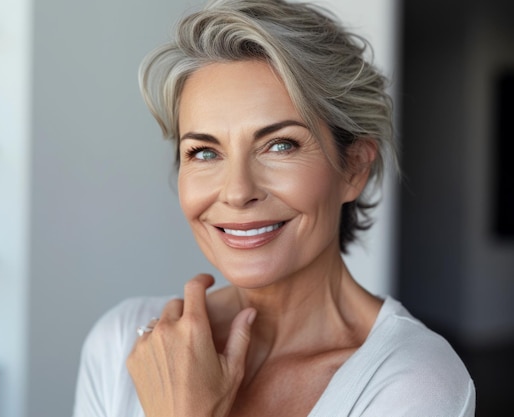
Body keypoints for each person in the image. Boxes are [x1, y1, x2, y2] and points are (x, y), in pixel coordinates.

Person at [73, 0, 475, 416]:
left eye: (280, 144)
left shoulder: (414, 381)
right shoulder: (123, 341)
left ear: (354, 167)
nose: (237, 191)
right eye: (205, 152)